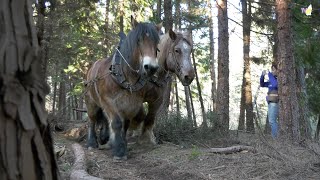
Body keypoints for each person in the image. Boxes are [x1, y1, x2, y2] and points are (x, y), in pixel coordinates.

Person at [260, 63, 279, 138]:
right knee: (272, 121)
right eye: (272, 69)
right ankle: (275, 136)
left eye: (274, 69)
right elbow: (262, 84)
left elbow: (275, 85)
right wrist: (262, 76)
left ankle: (275, 138)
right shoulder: (271, 80)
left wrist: (270, 75)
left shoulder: (278, 80)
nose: (272, 71)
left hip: (275, 103)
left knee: (272, 121)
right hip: (270, 103)